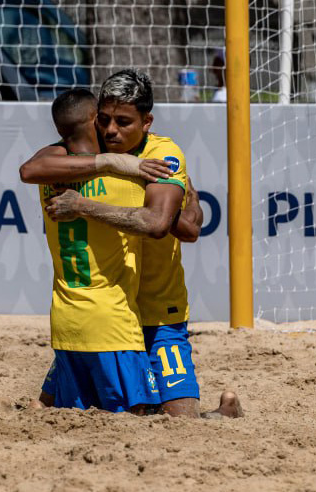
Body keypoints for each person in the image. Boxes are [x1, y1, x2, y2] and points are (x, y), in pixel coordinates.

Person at [22, 70, 242, 418]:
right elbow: (30, 168)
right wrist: (111, 161)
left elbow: (171, 226)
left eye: (123, 122)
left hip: (157, 305)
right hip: (112, 312)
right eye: (105, 120)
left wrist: (84, 205)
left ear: (146, 122)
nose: (111, 130)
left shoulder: (161, 155)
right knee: (50, 408)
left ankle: (225, 413)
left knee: (179, 418)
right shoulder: (93, 150)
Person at [28, 88, 161, 414]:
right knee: (138, 418)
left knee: (74, 419)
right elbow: (160, 224)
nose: (111, 125)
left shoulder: (48, 175)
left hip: (66, 326)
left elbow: (30, 168)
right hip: (113, 327)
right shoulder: (126, 178)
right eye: (104, 117)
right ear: (93, 121)